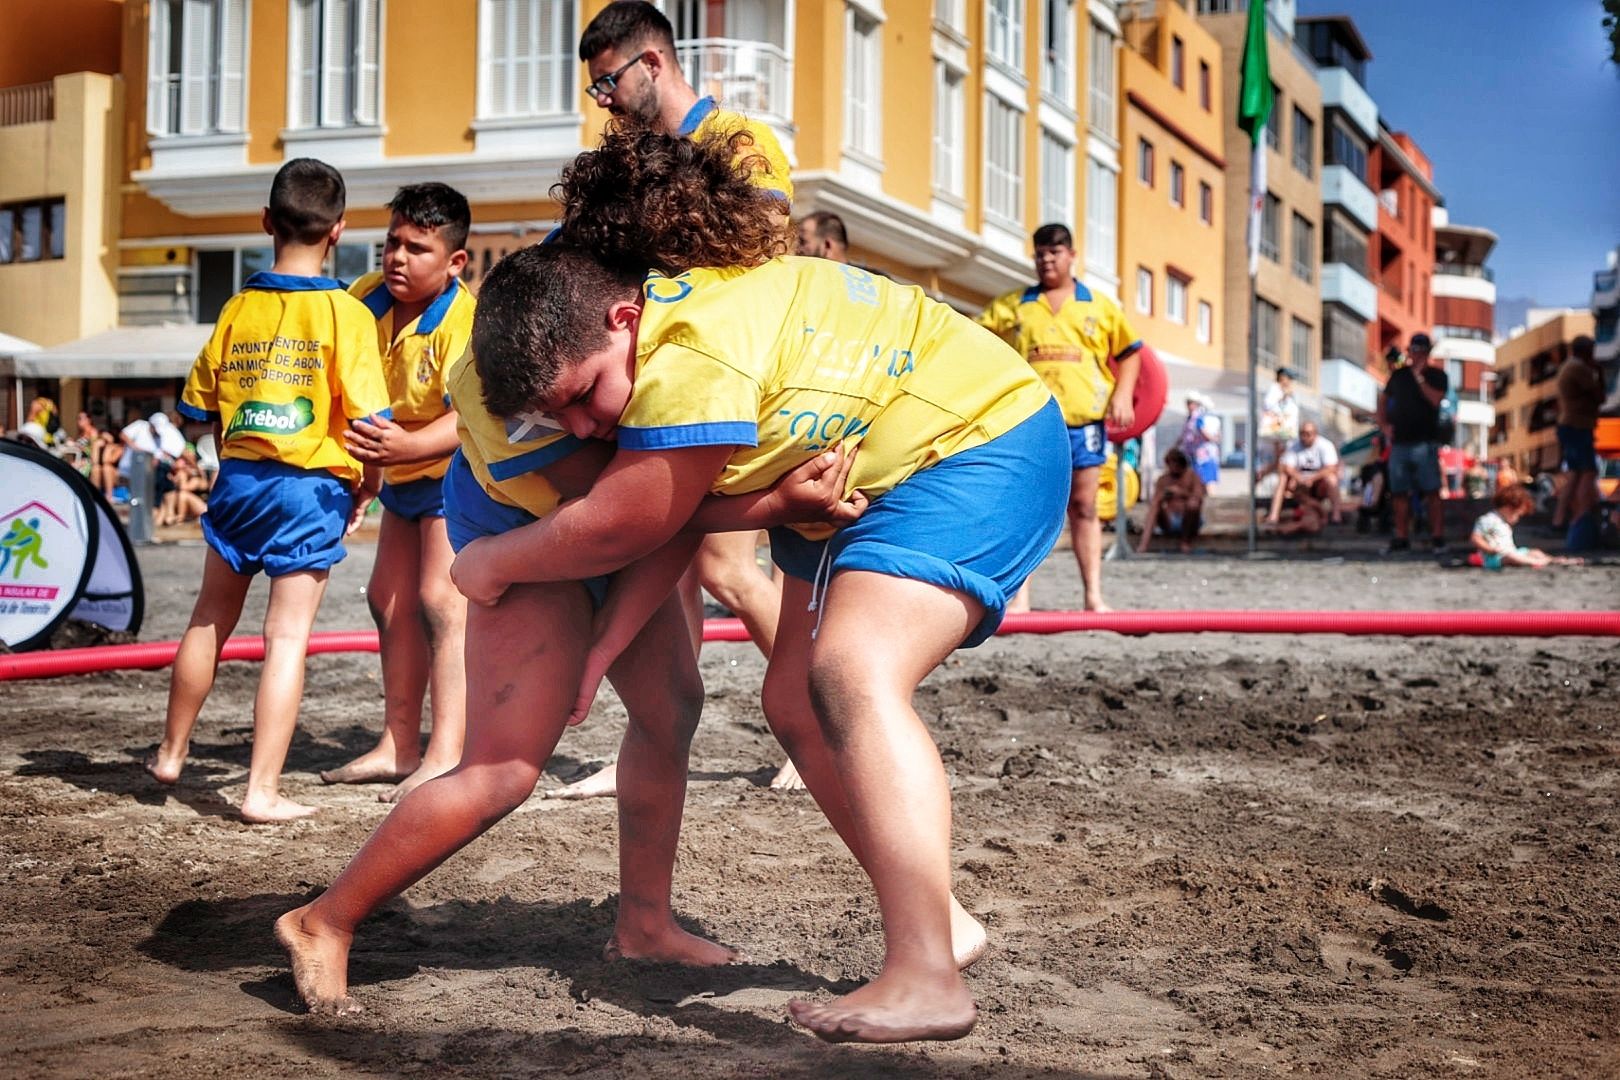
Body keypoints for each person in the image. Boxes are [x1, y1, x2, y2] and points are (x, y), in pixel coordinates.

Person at [434, 129, 1063, 1043]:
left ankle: (926, 971)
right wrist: (604, 647)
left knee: (852, 671)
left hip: (975, 438)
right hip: (856, 476)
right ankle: (942, 922)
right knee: (796, 701)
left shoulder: (690, 342)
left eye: (582, 395)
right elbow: (668, 521)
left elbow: (633, 520)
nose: (577, 424)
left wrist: (490, 561)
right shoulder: (667, 326)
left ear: (615, 305)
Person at [275, 136, 884, 1015]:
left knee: (671, 707)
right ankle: (325, 919)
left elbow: (651, 514)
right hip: (529, 538)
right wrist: (776, 502)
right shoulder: (534, 344)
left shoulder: (655, 310)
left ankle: (643, 924)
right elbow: (621, 517)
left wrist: (751, 500)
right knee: (504, 768)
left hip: (600, 531)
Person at [560, 0, 799, 797]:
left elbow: (764, 256)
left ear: (652, 63)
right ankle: (657, 737)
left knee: (728, 570)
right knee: (674, 575)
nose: (602, 102)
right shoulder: (633, 158)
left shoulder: (737, 141)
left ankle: (810, 726)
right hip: (664, 382)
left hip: (726, 378)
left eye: (607, 84)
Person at [145, 158, 389, 823]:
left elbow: (197, 408)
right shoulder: (347, 314)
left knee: (207, 619)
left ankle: (171, 753)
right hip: (310, 490)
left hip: (241, 479)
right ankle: (260, 791)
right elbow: (371, 424)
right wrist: (368, 488)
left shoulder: (236, 307)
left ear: (265, 222)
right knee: (286, 640)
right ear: (338, 231)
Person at [319, 183, 475, 803]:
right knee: (387, 600)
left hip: (451, 474)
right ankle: (397, 742)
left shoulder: (461, 320)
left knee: (442, 602)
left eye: (417, 248)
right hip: (397, 475)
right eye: (391, 243)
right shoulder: (363, 299)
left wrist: (409, 448)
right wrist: (369, 471)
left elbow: (471, 416)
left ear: (454, 261)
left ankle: (447, 751)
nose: (398, 258)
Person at [977, 223, 1141, 613]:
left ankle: (1093, 596)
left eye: (1055, 252)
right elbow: (976, 337)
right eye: (1040, 253)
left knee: (1085, 506)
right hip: (1032, 419)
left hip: (1085, 420)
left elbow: (1132, 351)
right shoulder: (1014, 304)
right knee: (1029, 506)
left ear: (1071, 255)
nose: (1047, 260)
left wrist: (1123, 394)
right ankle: (1022, 598)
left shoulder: (1099, 305)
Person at [1377, 332, 1448, 553]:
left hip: (1425, 443)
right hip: (1400, 443)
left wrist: (1419, 378)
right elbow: (1383, 399)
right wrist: (1383, 424)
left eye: (1421, 352)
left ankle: (1437, 537)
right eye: (1413, 351)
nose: (1416, 356)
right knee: (1399, 492)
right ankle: (1401, 537)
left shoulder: (1437, 375)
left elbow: (1435, 400)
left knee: (1432, 491)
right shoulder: (1398, 376)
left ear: (1427, 353)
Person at [1552, 335, 1604, 552]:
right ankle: (1581, 516)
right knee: (1587, 471)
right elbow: (1599, 395)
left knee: (1575, 473)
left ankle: (1561, 518)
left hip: (1570, 425)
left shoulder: (1568, 367)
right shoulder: (1579, 369)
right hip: (1577, 425)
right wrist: (1599, 372)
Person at [1471, 486, 1582, 568]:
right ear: (1508, 508)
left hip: (1511, 552)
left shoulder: (1503, 522)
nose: (1518, 519)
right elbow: (1476, 538)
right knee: (1511, 558)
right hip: (1494, 558)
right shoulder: (1488, 520)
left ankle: (1553, 560)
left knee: (1534, 552)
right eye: (1518, 514)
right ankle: (1538, 562)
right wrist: (1489, 549)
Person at [1265, 420, 1341, 526]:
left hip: (1318, 484)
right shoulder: (1293, 445)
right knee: (1283, 477)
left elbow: (1331, 468)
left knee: (1332, 479)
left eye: (1308, 434)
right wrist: (1299, 478)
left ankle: (1336, 514)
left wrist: (1312, 479)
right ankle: (1274, 515)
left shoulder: (1326, 445)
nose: (1304, 437)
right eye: (1302, 433)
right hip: (1299, 485)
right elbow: (1286, 467)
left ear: (1315, 434)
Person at [1138, 447, 1206, 553]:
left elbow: (1199, 497)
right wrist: (1164, 496)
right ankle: (1143, 544)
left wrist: (1181, 493)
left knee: (1193, 504)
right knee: (1155, 504)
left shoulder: (1192, 476)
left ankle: (1185, 542)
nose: (1173, 467)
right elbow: (1154, 500)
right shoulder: (1163, 480)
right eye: (1171, 463)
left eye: (1176, 463)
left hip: (1189, 519)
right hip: (1170, 519)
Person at [1259, 368, 1300, 480]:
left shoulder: (1286, 391)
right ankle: (1259, 477)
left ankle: (1261, 477)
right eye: (1289, 378)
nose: (1291, 381)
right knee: (1281, 461)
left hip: (1285, 433)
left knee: (1282, 462)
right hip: (1277, 433)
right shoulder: (1275, 389)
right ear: (1282, 377)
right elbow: (1269, 406)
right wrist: (1284, 396)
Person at [1179, 391, 1221, 487]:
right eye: (1188, 403)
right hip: (1193, 455)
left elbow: (1204, 432)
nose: (1188, 405)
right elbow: (1184, 435)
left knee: (1206, 481)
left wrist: (1212, 439)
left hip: (1203, 456)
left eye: (1191, 403)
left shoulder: (1199, 418)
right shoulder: (1189, 418)